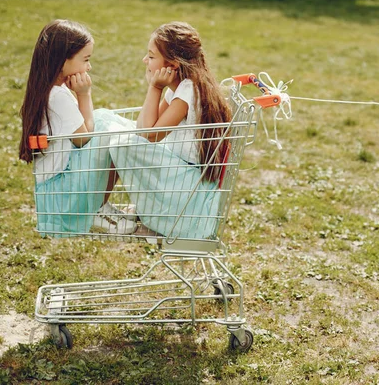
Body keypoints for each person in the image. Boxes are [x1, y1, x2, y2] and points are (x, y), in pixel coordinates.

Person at [100, 21, 231, 239]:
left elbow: (149, 136)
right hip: (180, 178)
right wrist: (158, 90)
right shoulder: (182, 87)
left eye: (151, 56)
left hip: (187, 191)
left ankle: (99, 207)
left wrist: (155, 87)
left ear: (171, 65)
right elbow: (145, 128)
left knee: (122, 142)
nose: (145, 60)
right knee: (107, 121)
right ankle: (102, 207)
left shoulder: (189, 91)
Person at [19, 19, 137, 237]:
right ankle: (96, 209)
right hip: (64, 194)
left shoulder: (49, 91)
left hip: (62, 189)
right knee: (109, 128)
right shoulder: (58, 97)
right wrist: (84, 94)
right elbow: (83, 138)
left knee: (107, 122)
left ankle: (98, 206)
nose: (89, 66)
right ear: (63, 60)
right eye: (86, 59)